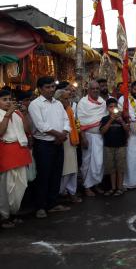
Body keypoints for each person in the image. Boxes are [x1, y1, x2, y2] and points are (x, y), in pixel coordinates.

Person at [29, 76, 71, 218]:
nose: (51, 89)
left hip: (59, 143)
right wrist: (59, 135)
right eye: (47, 87)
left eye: (53, 86)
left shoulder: (58, 104)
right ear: (40, 89)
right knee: (43, 175)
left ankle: (52, 204)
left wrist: (64, 133)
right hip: (44, 145)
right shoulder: (35, 104)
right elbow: (41, 126)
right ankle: (40, 206)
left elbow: (66, 120)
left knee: (56, 174)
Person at [0, 90, 32, 228]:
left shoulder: (18, 113)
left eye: (10, 99)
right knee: (6, 187)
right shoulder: (4, 113)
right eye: (4, 99)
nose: (8, 101)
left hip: (21, 151)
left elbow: (27, 129)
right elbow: (0, 132)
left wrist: (24, 114)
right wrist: (7, 114)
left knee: (21, 185)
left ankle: (13, 213)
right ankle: (4, 216)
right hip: (6, 152)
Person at [77, 81, 107, 197]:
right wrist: (83, 138)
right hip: (88, 137)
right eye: (93, 89)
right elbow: (80, 121)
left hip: (100, 137)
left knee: (99, 162)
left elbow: (104, 119)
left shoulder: (102, 102)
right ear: (88, 90)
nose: (95, 90)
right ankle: (87, 187)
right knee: (87, 162)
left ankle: (96, 184)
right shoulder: (82, 103)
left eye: (97, 88)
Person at [54, 90, 82, 204]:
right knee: (64, 170)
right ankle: (61, 192)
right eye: (65, 99)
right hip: (61, 141)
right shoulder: (55, 110)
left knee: (73, 170)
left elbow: (74, 124)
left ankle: (71, 192)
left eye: (68, 98)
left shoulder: (69, 110)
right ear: (58, 100)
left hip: (71, 141)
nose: (68, 101)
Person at [100, 98, 129, 196]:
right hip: (108, 146)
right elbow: (102, 131)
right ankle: (113, 188)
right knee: (111, 168)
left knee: (120, 168)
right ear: (107, 108)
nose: (113, 109)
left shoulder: (122, 118)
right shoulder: (105, 119)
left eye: (115, 107)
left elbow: (127, 131)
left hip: (121, 146)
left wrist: (122, 122)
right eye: (110, 107)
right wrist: (111, 120)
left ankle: (120, 188)